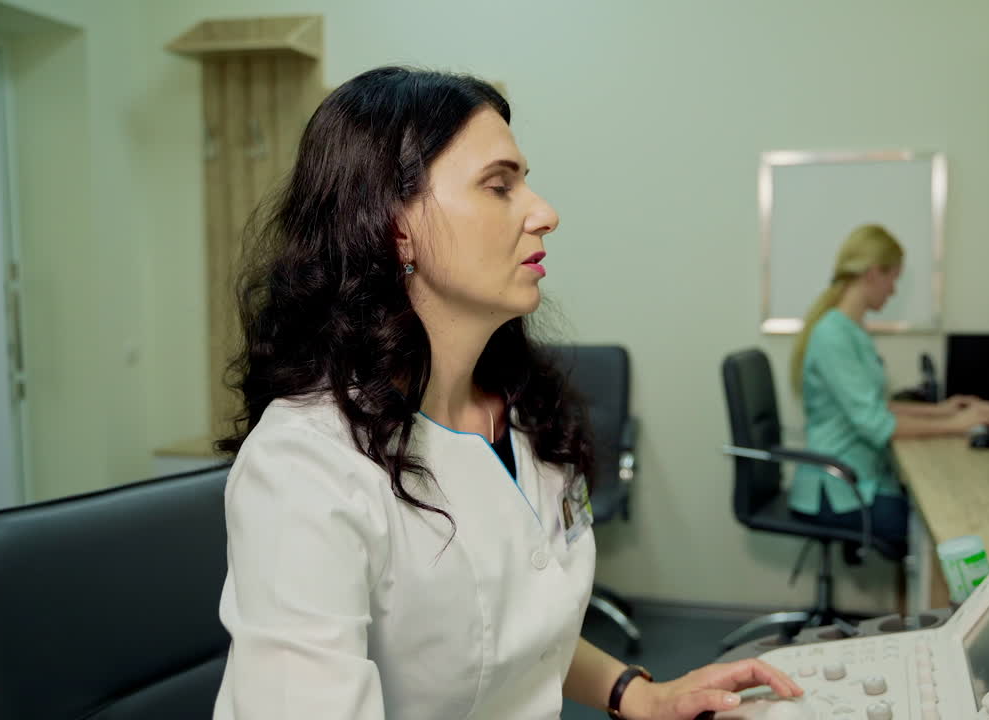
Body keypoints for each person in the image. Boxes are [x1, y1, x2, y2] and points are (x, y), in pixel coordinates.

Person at [210, 67, 802, 720]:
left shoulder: (518, 411)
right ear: (395, 225)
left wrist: (638, 693)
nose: (544, 213)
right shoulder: (307, 466)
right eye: (500, 185)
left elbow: (513, 623)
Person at [786, 224, 989, 546]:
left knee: (942, 513)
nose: (894, 289)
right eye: (894, 278)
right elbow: (876, 424)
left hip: (859, 479)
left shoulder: (851, 329)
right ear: (874, 274)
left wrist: (940, 411)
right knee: (942, 528)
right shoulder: (833, 335)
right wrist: (957, 424)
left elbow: (875, 404)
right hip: (839, 490)